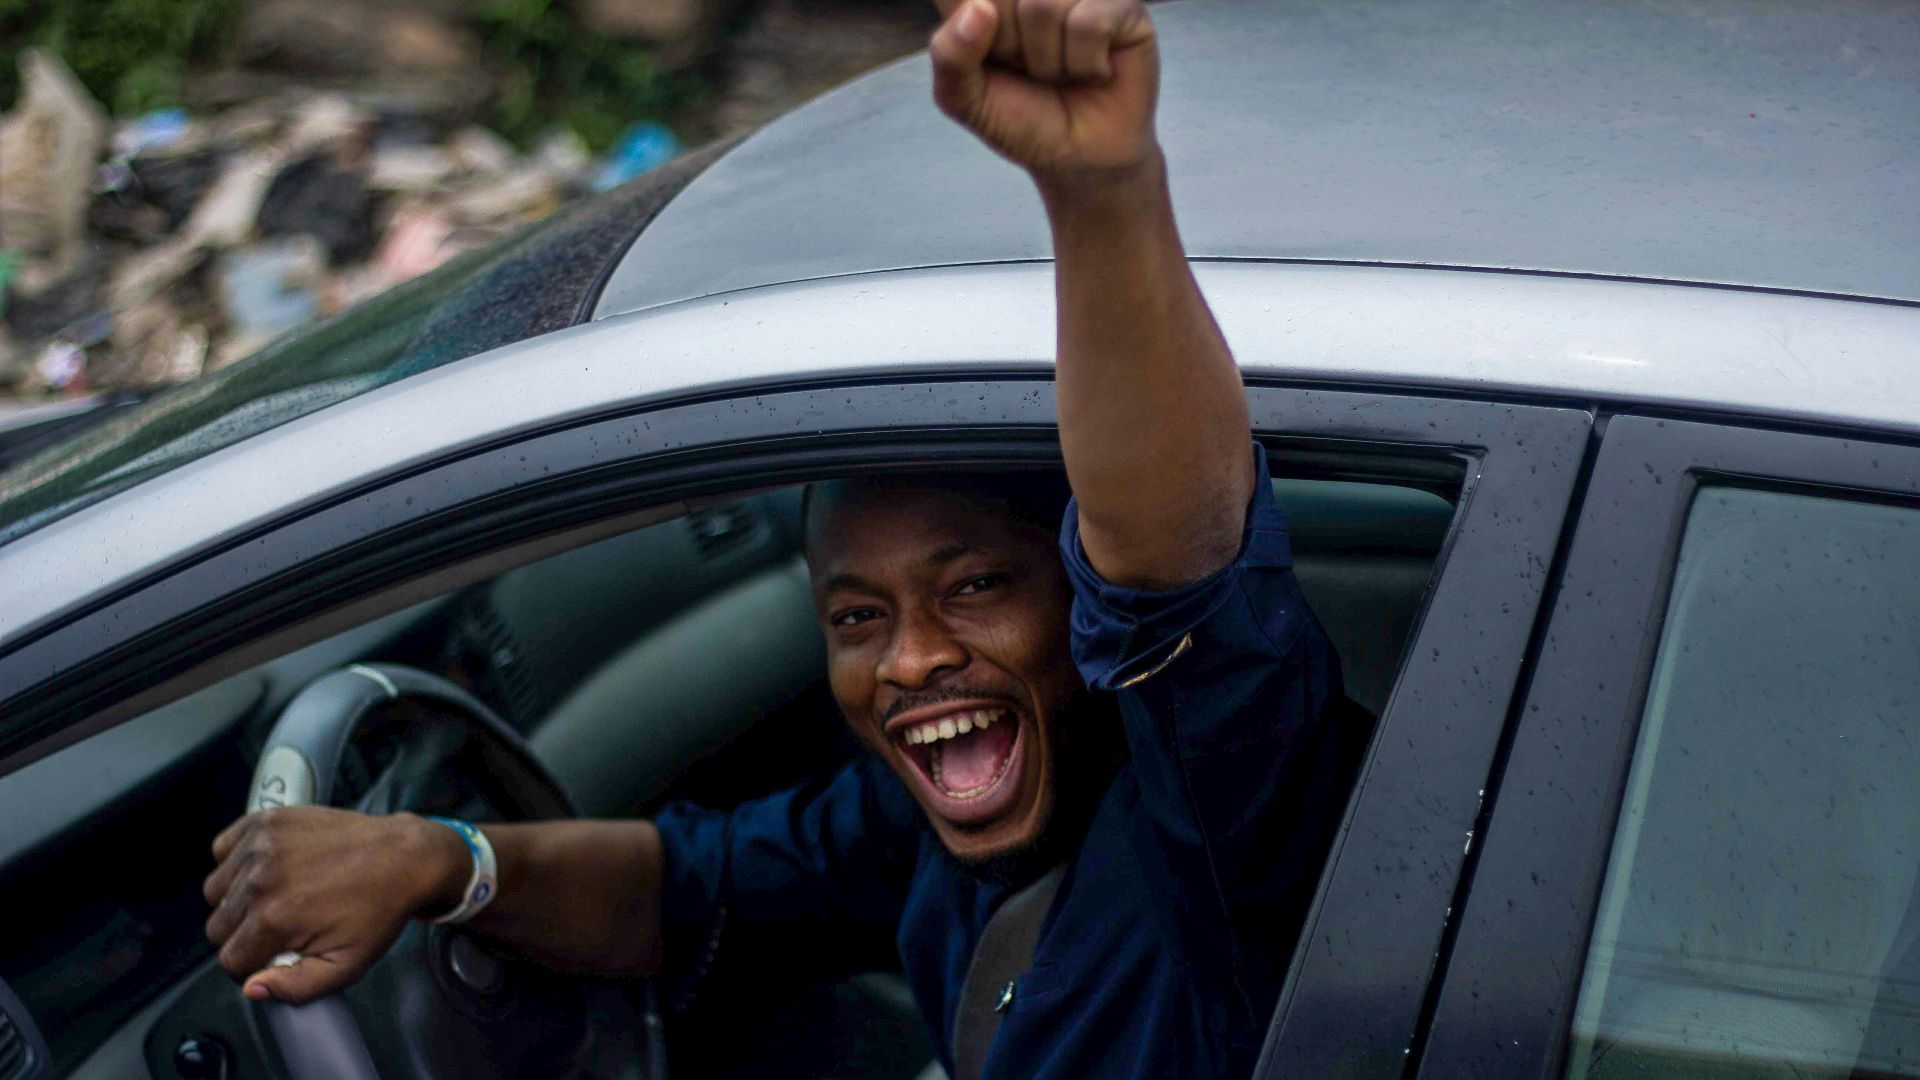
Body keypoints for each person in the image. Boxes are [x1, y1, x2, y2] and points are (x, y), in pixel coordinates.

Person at [202, 1, 1364, 1075]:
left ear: (1076, 590)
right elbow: (693, 889)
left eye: (972, 588)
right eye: (859, 617)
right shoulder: (926, 821)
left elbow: (1178, 565)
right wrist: (440, 862)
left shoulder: (1215, 811)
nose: (909, 661)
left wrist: (1104, 195)